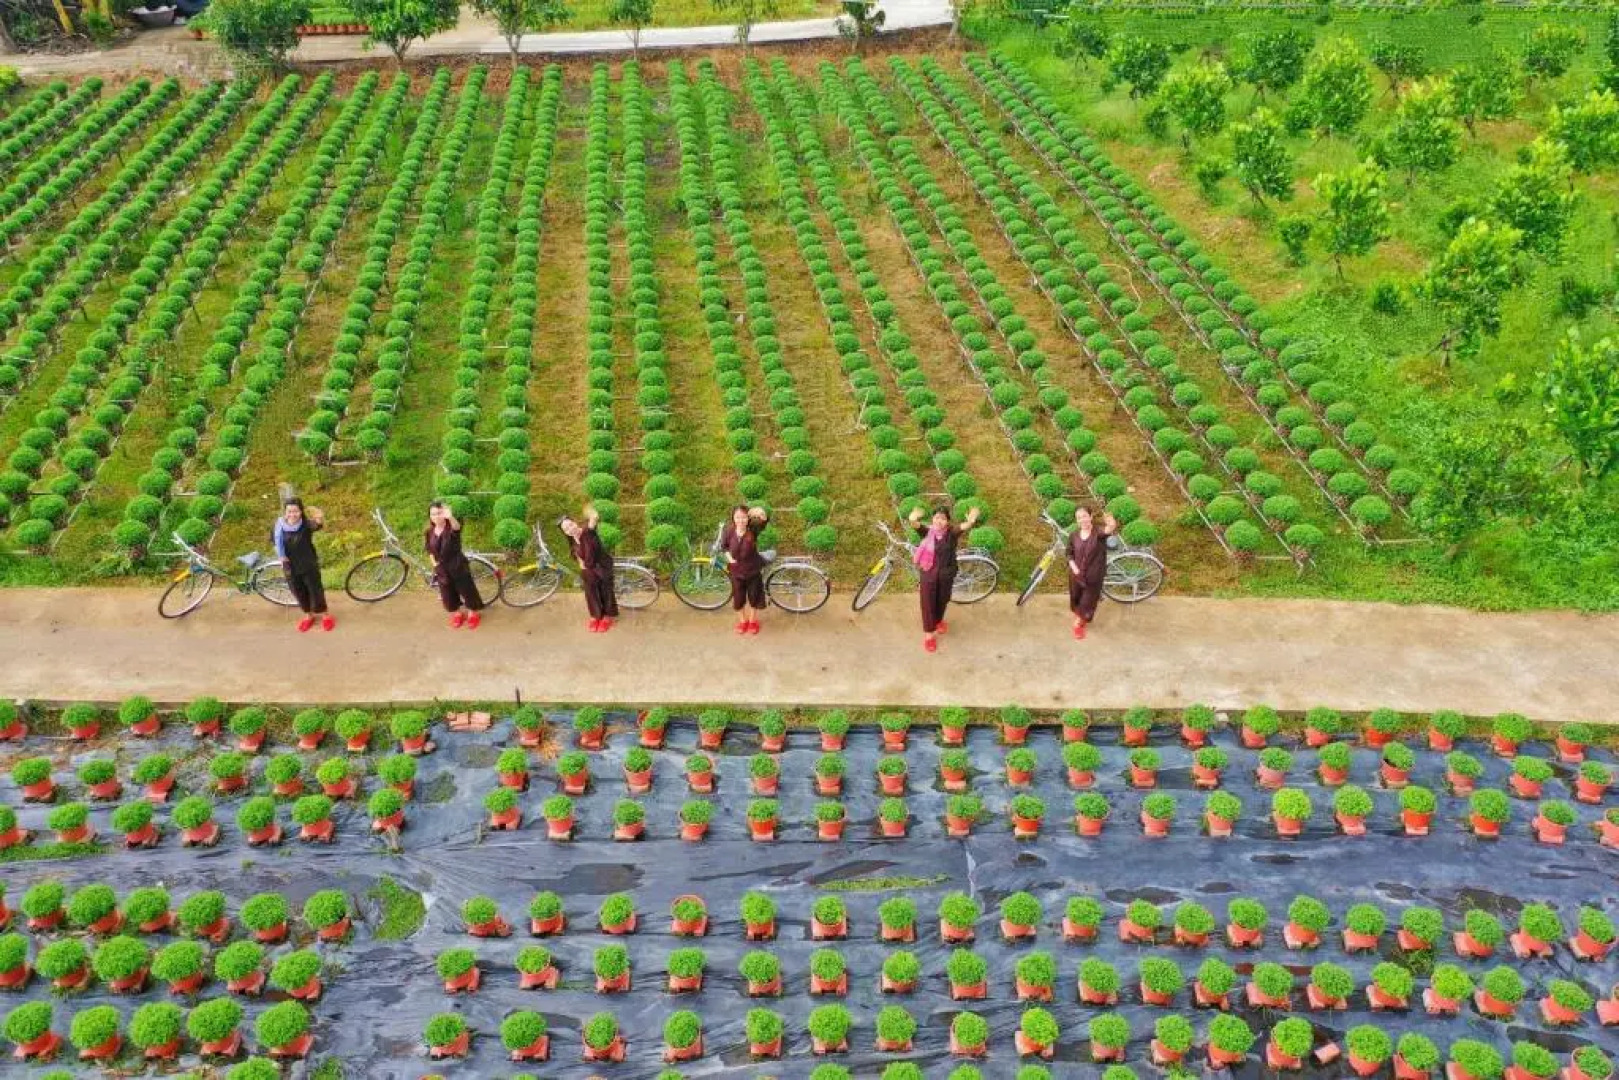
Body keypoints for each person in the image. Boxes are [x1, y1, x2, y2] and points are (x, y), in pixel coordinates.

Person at [907, 502, 980, 653]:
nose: (939, 521)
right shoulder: (927, 532)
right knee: (928, 604)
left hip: (946, 576)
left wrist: (971, 521)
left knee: (942, 600)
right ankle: (929, 635)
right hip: (928, 575)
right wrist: (912, 518)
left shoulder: (951, 534)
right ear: (933, 519)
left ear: (947, 521)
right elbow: (915, 525)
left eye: (942, 518)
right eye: (936, 517)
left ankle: (939, 621)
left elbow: (962, 527)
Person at [273, 497, 332, 633]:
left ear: (301, 511)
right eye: (289, 511)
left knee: (315, 590)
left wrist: (319, 518)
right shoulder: (279, 525)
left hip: (308, 564)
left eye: (296, 511)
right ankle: (308, 615)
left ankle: (325, 615)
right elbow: (275, 541)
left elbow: (317, 525)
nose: (292, 514)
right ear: (285, 512)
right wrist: (281, 555)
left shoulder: (306, 525)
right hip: (290, 566)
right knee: (298, 591)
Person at [425, 501, 484, 630]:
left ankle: (473, 614)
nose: (436, 516)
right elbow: (429, 549)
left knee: (467, 590)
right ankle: (457, 614)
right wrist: (434, 564)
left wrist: (450, 517)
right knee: (447, 593)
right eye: (433, 514)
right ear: (429, 516)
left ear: (444, 513)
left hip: (457, 564)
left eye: (439, 513)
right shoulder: (429, 532)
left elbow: (457, 527)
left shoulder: (451, 527)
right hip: (441, 568)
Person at [560, 506, 617, 633]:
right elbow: (578, 556)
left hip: (601, 566)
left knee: (605, 591)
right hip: (589, 569)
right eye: (566, 529)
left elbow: (594, 518)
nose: (570, 529)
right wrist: (582, 565)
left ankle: (607, 616)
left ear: (575, 522)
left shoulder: (587, 531)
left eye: (570, 525)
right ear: (565, 533)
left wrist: (591, 511)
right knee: (590, 592)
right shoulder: (573, 541)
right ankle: (595, 616)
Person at [1067, 506, 1118, 640]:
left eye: (1084, 516)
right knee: (1076, 598)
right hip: (1076, 575)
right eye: (1079, 517)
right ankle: (1081, 615)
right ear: (1076, 520)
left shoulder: (1098, 533)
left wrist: (1111, 524)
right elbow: (1069, 554)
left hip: (1093, 575)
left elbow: (1108, 529)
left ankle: (1078, 624)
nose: (1082, 519)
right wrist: (1074, 568)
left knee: (1088, 601)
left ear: (1090, 516)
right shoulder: (1073, 535)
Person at [722, 505, 770, 635]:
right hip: (736, 572)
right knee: (738, 598)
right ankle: (743, 622)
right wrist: (729, 558)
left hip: (753, 570)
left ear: (748, 518)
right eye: (738, 517)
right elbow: (724, 547)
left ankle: (753, 621)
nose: (741, 520)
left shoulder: (753, 530)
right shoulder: (728, 531)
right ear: (733, 518)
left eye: (744, 517)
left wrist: (762, 514)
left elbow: (763, 522)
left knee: (754, 597)